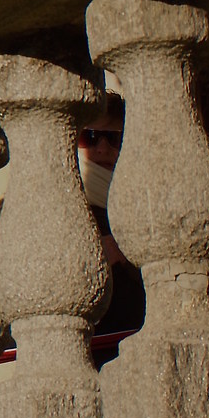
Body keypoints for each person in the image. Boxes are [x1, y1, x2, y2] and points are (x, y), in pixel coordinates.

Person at [80, 96, 147, 344]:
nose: (102, 148)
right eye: (90, 137)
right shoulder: (58, 207)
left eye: (113, 138)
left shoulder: (145, 203)